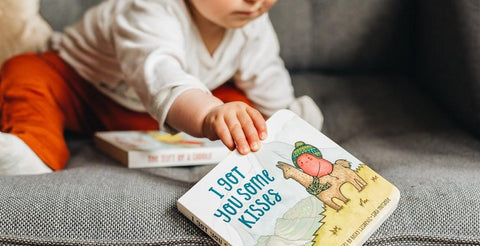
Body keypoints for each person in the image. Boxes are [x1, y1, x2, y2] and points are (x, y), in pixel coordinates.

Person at [0, 0, 323, 175]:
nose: (256, 2)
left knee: (239, 104)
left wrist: (287, 119)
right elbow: (159, 74)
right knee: (25, 72)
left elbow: (265, 75)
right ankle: (32, 150)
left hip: (153, 114)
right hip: (79, 87)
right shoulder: (150, 8)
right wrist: (210, 113)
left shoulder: (252, 27)